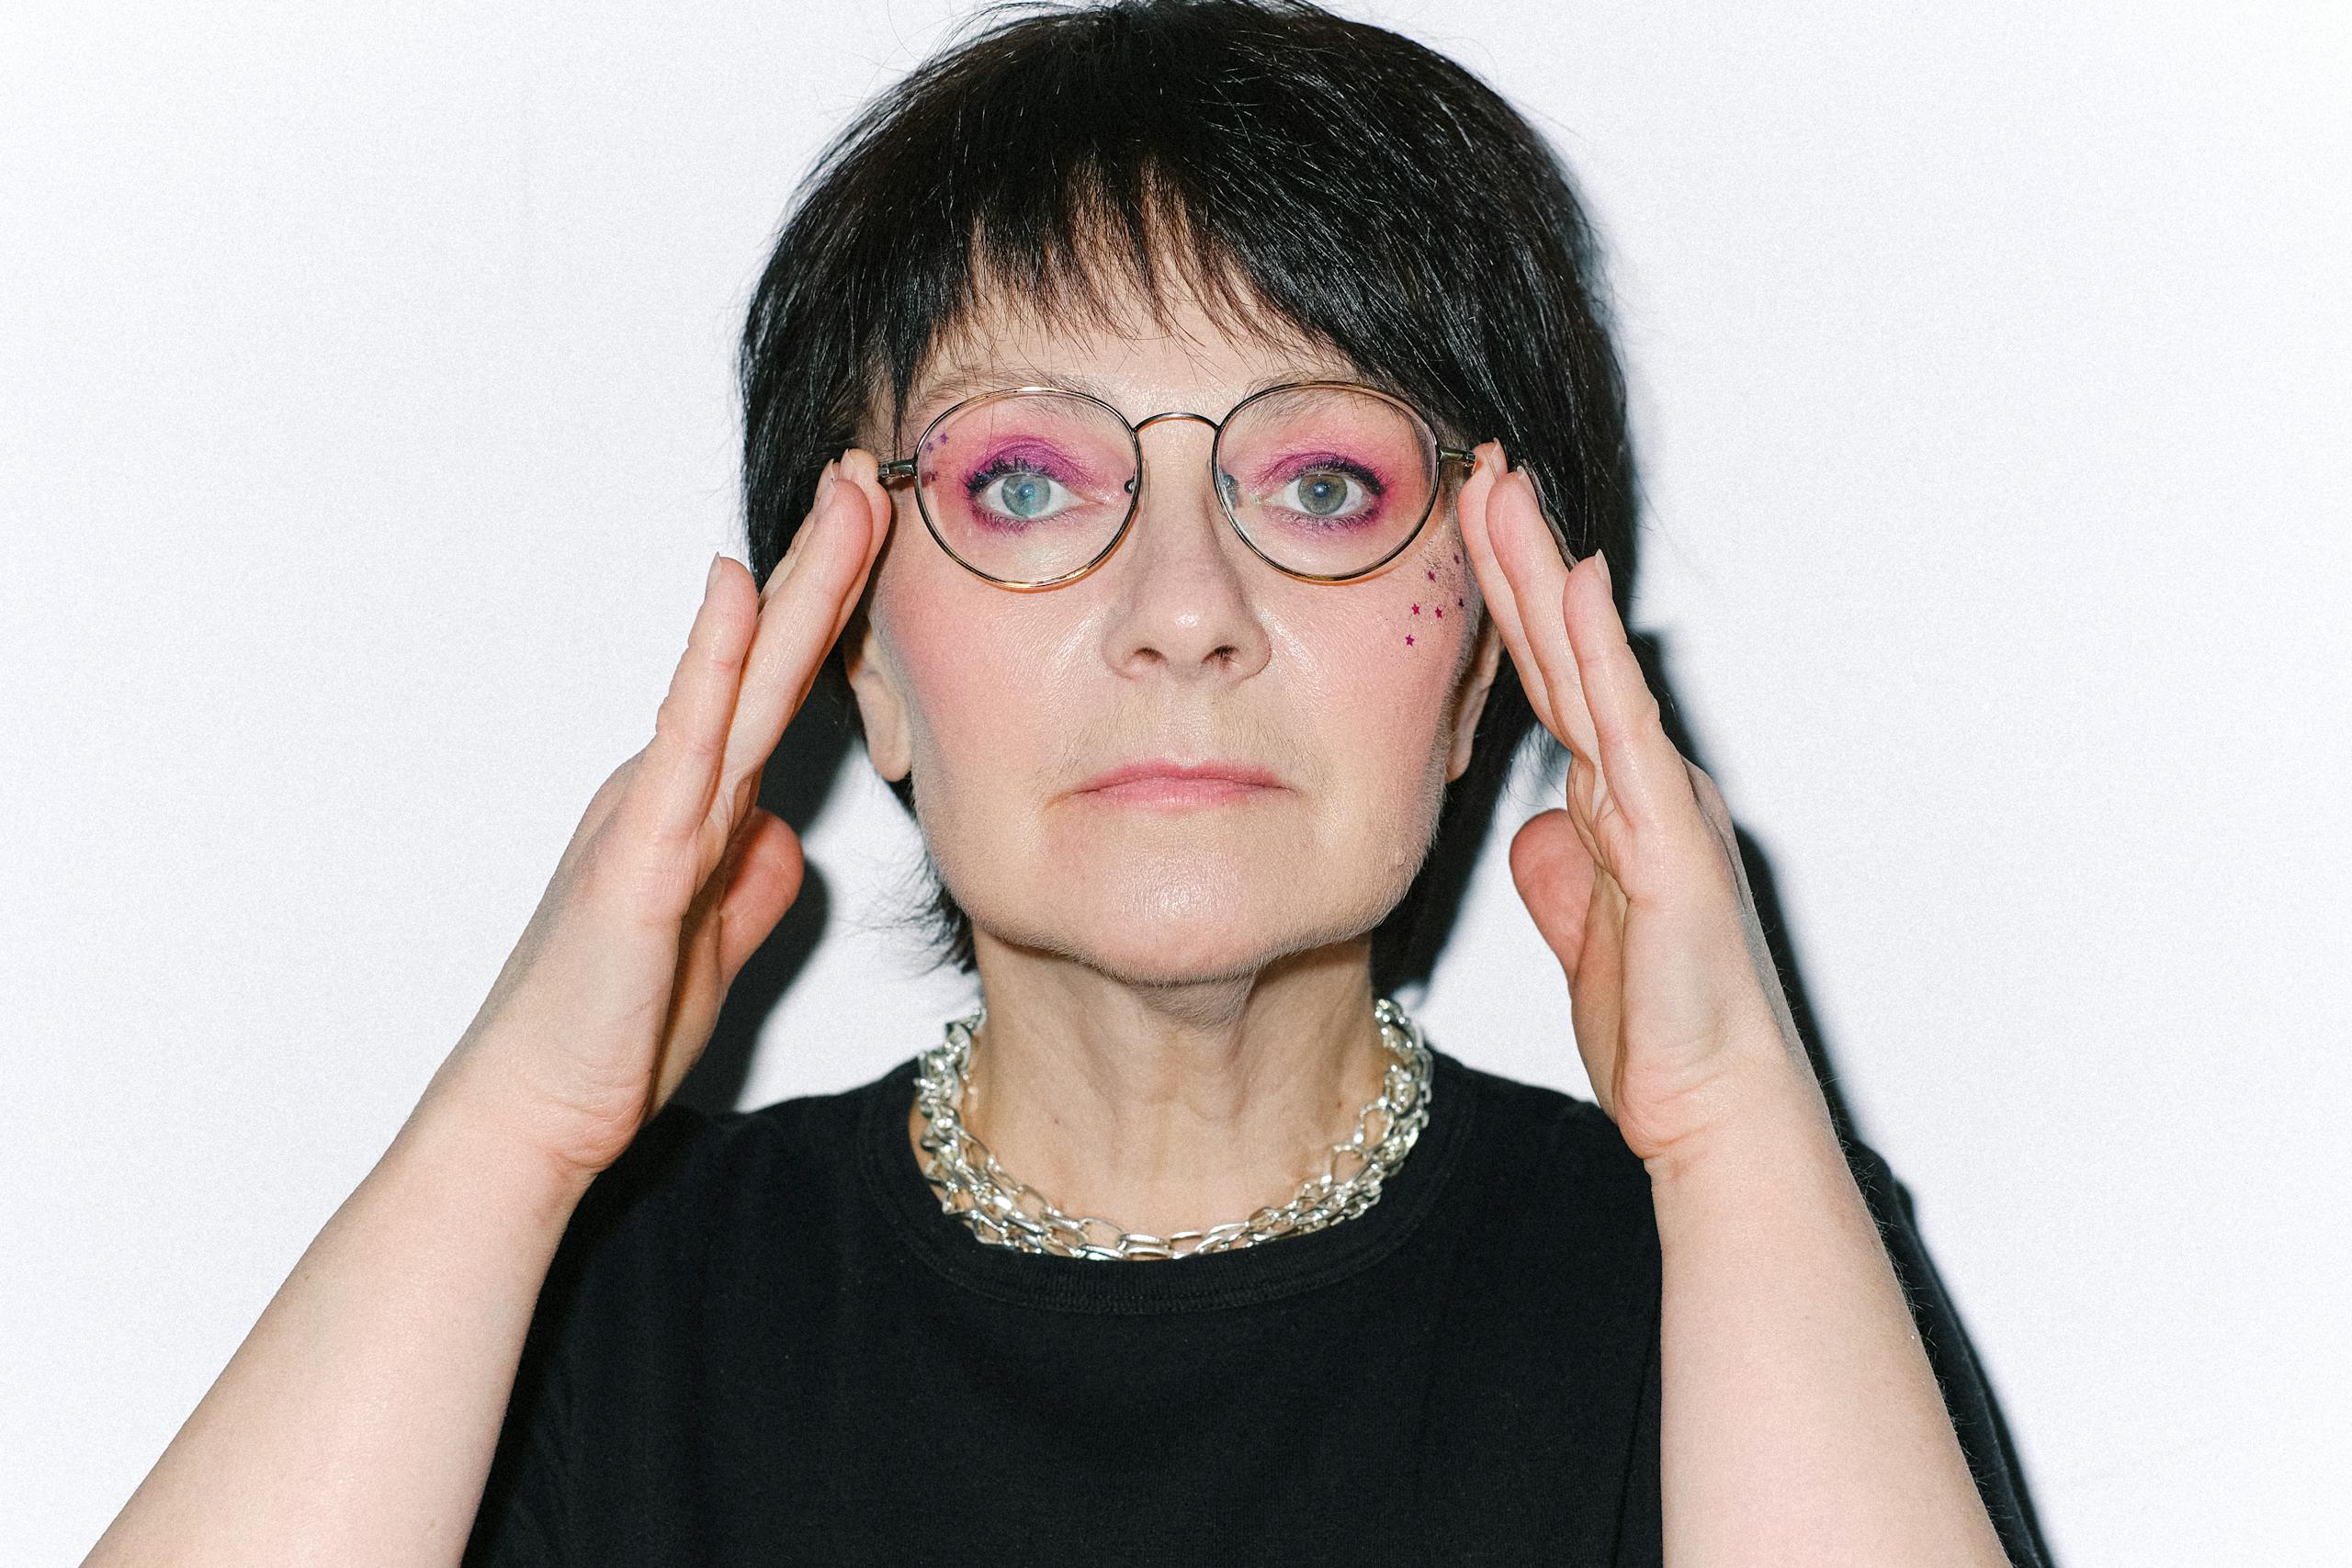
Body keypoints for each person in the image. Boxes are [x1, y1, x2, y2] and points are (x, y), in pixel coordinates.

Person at [85, 3, 2049, 1564]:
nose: (1182, 610)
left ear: (1483, 664)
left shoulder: (1733, 1252)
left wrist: (1730, 1121)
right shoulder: (596, 1297)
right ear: (861, 656)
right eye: (1024, 480)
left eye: (1321, 483)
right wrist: (512, 1123)